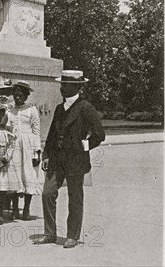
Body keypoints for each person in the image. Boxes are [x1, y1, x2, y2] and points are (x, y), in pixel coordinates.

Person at [36, 70, 105, 249]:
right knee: (47, 193)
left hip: (76, 161)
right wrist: (46, 155)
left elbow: (99, 135)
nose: (61, 88)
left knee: (75, 197)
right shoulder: (60, 108)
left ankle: (72, 236)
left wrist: (83, 147)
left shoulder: (86, 108)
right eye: (62, 84)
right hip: (57, 159)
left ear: (77, 87)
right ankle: (50, 233)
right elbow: (52, 134)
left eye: (65, 85)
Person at [7, 81, 42, 220]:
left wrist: (37, 152)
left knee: (28, 175)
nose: (18, 97)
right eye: (15, 95)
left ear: (26, 96)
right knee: (14, 175)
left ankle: (26, 207)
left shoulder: (31, 110)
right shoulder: (9, 110)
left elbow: (36, 131)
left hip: (28, 146)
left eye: (21, 95)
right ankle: (15, 208)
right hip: (13, 145)